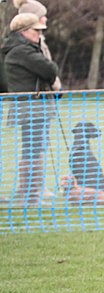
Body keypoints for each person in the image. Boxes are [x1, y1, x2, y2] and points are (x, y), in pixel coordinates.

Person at [0, 13, 60, 206]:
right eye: (36, 30)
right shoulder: (22, 51)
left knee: (34, 149)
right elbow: (50, 69)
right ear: (24, 31)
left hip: (32, 108)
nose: (39, 34)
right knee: (33, 150)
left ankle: (30, 194)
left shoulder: (21, 49)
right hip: (32, 109)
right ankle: (31, 196)